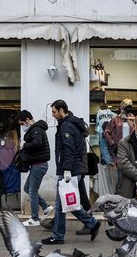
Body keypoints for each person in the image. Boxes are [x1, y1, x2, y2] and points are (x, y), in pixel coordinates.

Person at [41, 100, 101, 245]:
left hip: (71, 170)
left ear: (62, 110)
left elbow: (68, 149)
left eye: (54, 112)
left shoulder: (67, 126)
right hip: (76, 169)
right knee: (65, 203)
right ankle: (62, 234)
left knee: (64, 203)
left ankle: (89, 224)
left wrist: (66, 169)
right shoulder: (72, 124)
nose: (53, 115)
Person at [18, 110, 53, 226]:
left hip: (39, 164)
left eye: (22, 123)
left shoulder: (36, 129)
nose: (22, 126)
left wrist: (24, 145)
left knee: (32, 191)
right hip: (37, 164)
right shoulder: (36, 129)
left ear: (27, 120)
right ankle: (46, 206)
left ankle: (34, 219)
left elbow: (37, 144)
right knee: (27, 188)